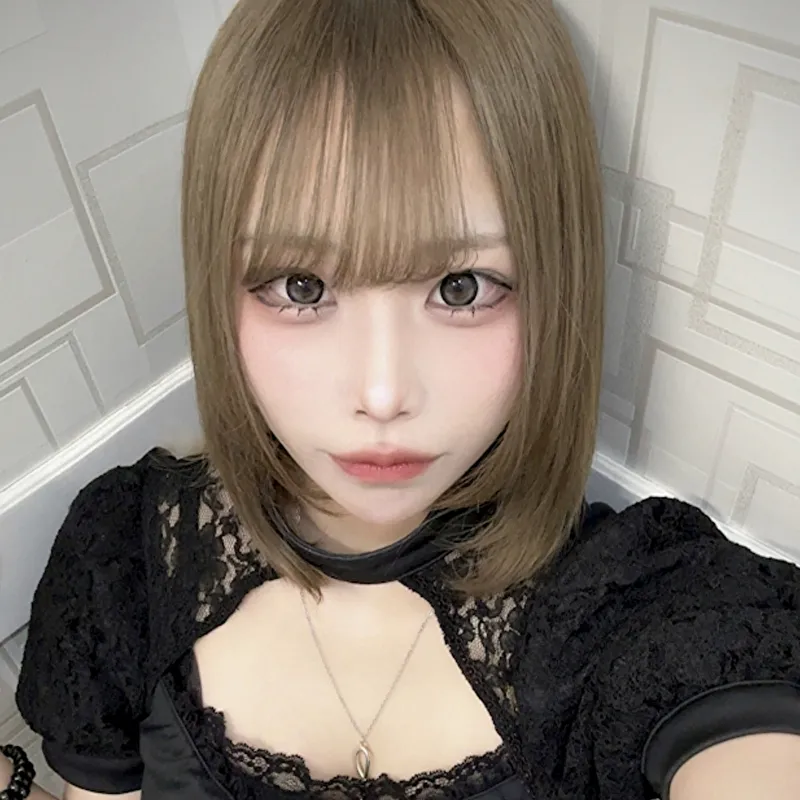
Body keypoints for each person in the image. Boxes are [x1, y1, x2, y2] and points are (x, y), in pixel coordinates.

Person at [3, 0, 800, 798]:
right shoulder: (127, 561)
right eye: (301, 285)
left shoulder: (638, 609)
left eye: (462, 287)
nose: (382, 394)